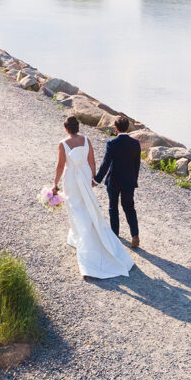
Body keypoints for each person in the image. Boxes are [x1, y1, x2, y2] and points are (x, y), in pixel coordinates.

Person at [52, 116, 135, 279]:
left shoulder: (62, 144)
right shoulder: (86, 140)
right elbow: (92, 161)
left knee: (75, 207)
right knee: (88, 205)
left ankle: (82, 237)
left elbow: (60, 165)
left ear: (66, 128)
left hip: (70, 178)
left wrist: (55, 184)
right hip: (84, 175)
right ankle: (84, 234)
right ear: (78, 127)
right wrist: (92, 178)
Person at [94, 116, 141, 248]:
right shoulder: (135, 144)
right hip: (129, 181)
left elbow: (105, 164)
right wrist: (134, 180)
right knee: (129, 208)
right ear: (128, 128)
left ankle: (115, 235)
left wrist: (97, 180)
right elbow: (136, 165)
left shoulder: (111, 143)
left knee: (113, 208)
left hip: (113, 180)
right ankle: (135, 235)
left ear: (115, 128)